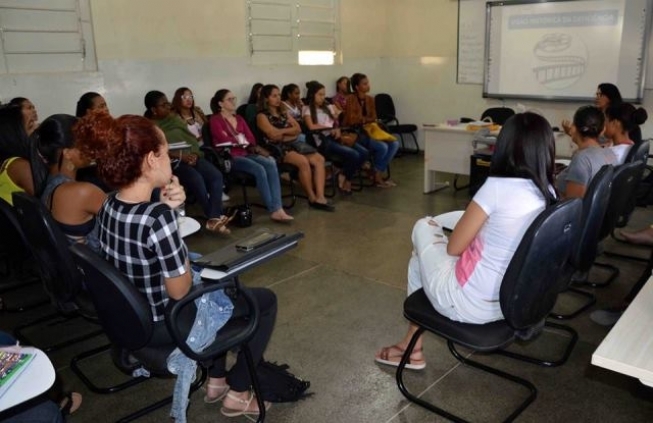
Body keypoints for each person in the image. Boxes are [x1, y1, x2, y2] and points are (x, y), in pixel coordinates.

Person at [75, 113, 275, 417]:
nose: (171, 159)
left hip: (133, 317)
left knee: (220, 292)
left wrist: (167, 208)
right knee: (262, 301)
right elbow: (180, 290)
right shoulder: (157, 219)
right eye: (166, 151)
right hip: (166, 322)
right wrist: (171, 227)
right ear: (151, 159)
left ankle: (216, 381)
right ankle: (238, 390)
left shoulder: (110, 203)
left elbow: (141, 239)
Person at [375, 112, 557, 369]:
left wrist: (434, 225)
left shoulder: (497, 187)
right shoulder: (547, 191)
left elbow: (454, 247)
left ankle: (412, 347)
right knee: (421, 257)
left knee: (422, 227)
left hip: (468, 304)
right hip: (512, 302)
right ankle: (411, 346)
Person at [144, 90, 232, 233]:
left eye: (167, 103)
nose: (167, 107)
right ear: (153, 110)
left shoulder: (174, 119)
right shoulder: (149, 127)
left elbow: (191, 139)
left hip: (191, 155)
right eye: (163, 105)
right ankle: (213, 216)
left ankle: (214, 216)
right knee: (196, 179)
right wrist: (180, 156)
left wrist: (194, 155)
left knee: (215, 175)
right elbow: (155, 150)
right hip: (171, 163)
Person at [209, 89, 293, 222]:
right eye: (229, 99)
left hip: (246, 152)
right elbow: (222, 139)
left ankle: (279, 207)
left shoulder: (239, 118)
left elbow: (251, 139)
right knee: (259, 169)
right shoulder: (215, 120)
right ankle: (273, 209)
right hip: (231, 157)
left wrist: (237, 140)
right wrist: (239, 140)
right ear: (220, 104)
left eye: (234, 98)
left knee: (270, 161)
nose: (233, 102)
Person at [256, 84, 334, 211]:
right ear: (266, 99)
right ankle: (311, 197)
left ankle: (321, 196)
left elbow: (297, 129)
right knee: (303, 162)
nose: (278, 98)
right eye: (274, 96)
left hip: (293, 143)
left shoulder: (283, 112)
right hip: (276, 148)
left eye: (279, 95)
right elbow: (272, 135)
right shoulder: (262, 116)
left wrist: (282, 132)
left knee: (319, 159)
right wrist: (286, 132)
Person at [36, 114, 104, 251]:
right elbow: (125, 217)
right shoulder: (82, 192)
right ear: (67, 153)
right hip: (101, 266)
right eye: (84, 143)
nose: (90, 148)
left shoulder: (50, 183)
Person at [303, 81, 367, 195]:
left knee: (364, 152)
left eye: (324, 94)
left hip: (336, 137)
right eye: (320, 95)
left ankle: (344, 174)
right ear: (312, 95)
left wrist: (336, 125)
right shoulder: (307, 109)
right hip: (323, 141)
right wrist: (329, 128)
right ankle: (346, 178)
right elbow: (311, 127)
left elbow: (336, 122)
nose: (323, 97)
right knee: (354, 154)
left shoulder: (328, 107)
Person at [343, 73, 399, 188]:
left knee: (394, 143)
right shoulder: (350, 99)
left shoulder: (370, 99)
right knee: (382, 147)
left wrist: (365, 120)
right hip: (356, 133)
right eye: (364, 84)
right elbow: (351, 120)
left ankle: (376, 171)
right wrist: (365, 120)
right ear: (357, 87)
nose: (368, 85)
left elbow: (373, 117)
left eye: (368, 83)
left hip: (370, 130)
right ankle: (377, 176)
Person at [556, 106, 617, 199]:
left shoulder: (582, 159)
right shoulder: (610, 153)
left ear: (574, 128)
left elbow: (573, 204)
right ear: (601, 130)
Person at [0, 105, 47, 203]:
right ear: (14, 135)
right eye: (31, 126)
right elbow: (49, 199)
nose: (37, 127)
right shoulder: (20, 167)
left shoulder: (7, 162)